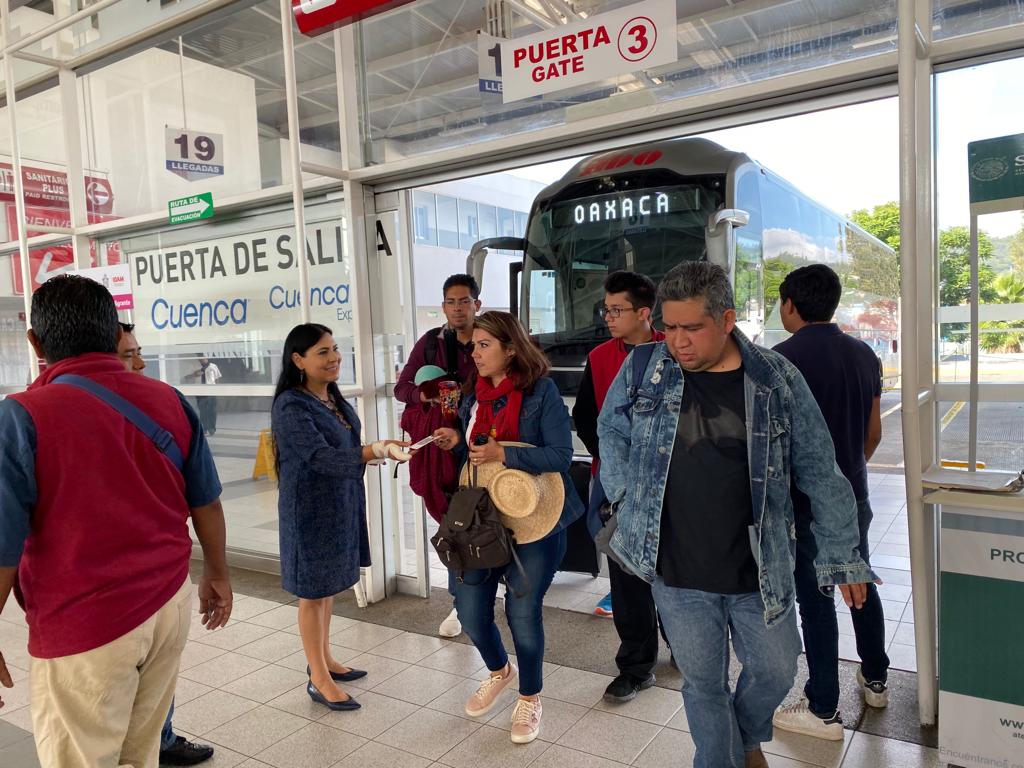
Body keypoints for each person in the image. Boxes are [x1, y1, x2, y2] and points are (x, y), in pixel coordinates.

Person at [597, 262, 876, 768]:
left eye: (692, 328)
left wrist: (843, 552)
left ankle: (745, 740)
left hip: (758, 569)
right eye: (670, 327)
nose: (678, 342)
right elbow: (611, 430)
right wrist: (625, 496)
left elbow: (820, 466)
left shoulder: (775, 378)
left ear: (727, 320)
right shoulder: (644, 368)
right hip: (675, 568)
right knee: (703, 684)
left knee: (777, 670)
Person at [0, 275, 231, 768]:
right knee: (139, 754)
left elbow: (3, 543)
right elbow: (207, 502)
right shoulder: (169, 400)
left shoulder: (21, 416)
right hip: (168, 605)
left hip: (84, 622)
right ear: (113, 334)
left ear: (36, 343)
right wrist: (217, 573)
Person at [433, 311, 584, 745]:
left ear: (511, 349)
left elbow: (560, 456)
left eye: (485, 345)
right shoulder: (473, 394)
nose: (475, 354)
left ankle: (530, 697)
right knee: (469, 610)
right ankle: (501, 670)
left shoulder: (541, 391)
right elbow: (476, 452)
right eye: (474, 346)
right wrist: (457, 443)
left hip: (537, 519)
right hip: (482, 517)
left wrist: (505, 454)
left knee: (522, 611)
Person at [770, 265, 890, 740]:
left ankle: (822, 707)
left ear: (790, 305)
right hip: (854, 495)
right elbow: (873, 431)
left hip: (803, 503)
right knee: (858, 580)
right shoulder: (864, 354)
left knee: (816, 599)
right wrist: (849, 476)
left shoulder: (778, 360)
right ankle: (876, 678)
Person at [272, 323, 411, 712]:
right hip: (309, 511)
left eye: (334, 349)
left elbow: (345, 447)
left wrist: (375, 450)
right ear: (298, 360)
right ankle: (318, 678)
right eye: (323, 352)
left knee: (328, 588)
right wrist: (375, 451)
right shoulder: (291, 405)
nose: (334, 358)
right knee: (312, 594)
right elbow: (319, 457)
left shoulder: (330, 396)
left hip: (340, 502)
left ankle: (326, 659)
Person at [116, 323, 216, 767]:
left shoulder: (164, 406)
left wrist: (216, 570)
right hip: (105, 591)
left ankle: (163, 736)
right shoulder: (57, 416)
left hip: (160, 578)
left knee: (158, 674)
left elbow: (204, 498)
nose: (140, 364)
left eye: (139, 352)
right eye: (128, 355)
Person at [571, 271, 668, 701]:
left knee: (673, 571)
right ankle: (636, 666)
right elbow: (586, 418)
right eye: (606, 310)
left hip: (668, 484)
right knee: (626, 574)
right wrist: (613, 463)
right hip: (614, 485)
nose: (608, 317)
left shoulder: (672, 349)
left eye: (616, 310)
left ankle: (685, 644)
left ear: (644, 312)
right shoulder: (599, 358)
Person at [394, 273, 481, 638]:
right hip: (445, 452)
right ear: (443, 306)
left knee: (492, 522)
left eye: (464, 301)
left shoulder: (489, 337)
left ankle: (489, 594)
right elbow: (402, 388)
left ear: (477, 304)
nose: (457, 309)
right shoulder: (430, 344)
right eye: (451, 302)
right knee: (453, 526)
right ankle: (461, 604)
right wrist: (425, 395)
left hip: (484, 446)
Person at [190, 354, 222, 435]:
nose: (201, 359)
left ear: (206, 357)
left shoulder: (213, 366)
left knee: (212, 410)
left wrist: (217, 389)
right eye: (199, 358)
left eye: (203, 357)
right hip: (200, 391)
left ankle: (212, 428)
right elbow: (189, 377)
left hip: (211, 391)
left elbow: (217, 378)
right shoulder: (196, 367)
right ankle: (204, 428)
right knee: (203, 410)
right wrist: (195, 374)